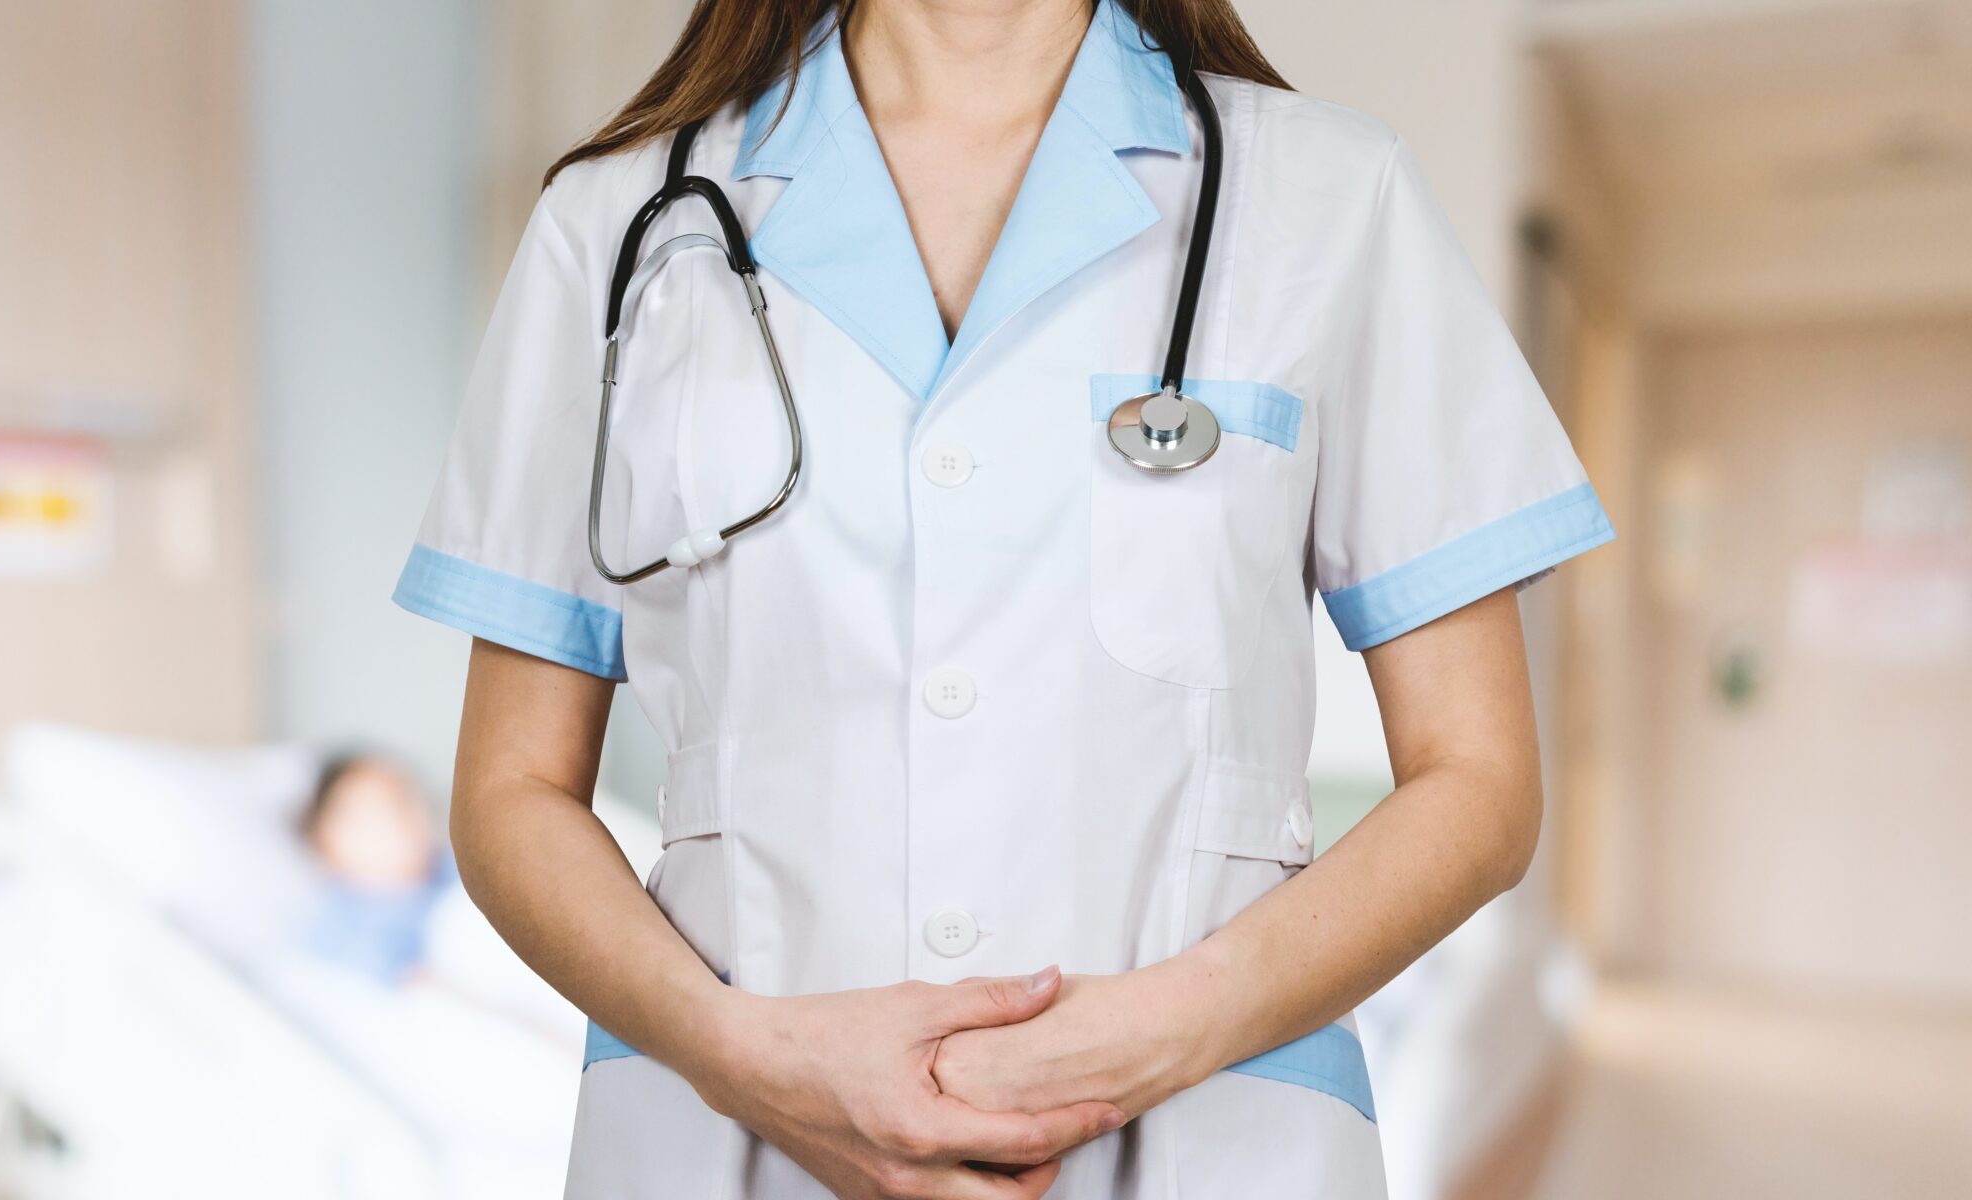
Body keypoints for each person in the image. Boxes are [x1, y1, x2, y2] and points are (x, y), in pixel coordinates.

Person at [392, 1, 1615, 1196]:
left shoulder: (1329, 199)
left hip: (1209, 1134)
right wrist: (742, 1059)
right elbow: (511, 796)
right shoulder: (616, 224)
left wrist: (1157, 1034)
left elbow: (1478, 785)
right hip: (733, 1141)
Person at [297, 753, 454, 985]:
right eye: (389, 807)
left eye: (413, 800)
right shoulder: (343, 928)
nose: (415, 816)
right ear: (326, 839)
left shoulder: (454, 874)